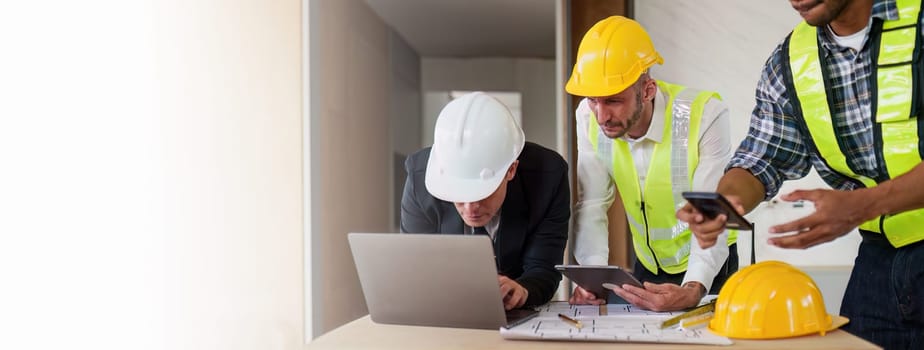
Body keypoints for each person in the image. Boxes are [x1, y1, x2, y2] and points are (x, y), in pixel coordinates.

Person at [677, 0, 924, 347]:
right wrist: (724, 203)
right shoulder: (790, 62)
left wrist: (863, 205)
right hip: (878, 264)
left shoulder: (918, 22)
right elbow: (762, 157)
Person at [566, 16, 738, 312]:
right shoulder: (588, 116)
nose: (601, 115)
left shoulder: (707, 114)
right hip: (647, 265)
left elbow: (711, 209)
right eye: (594, 100)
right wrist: (592, 279)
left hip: (709, 265)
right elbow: (593, 203)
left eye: (614, 101)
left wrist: (694, 287)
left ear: (647, 90)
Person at [400, 91, 570, 310]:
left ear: (511, 170)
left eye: (482, 194)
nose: (470, 208)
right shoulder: (419, 178)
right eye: (458, 194)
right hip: (445, 309)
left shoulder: (548, 177)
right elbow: (417, 267)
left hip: (517, 313)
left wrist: (524, 290)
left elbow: (544, 267)